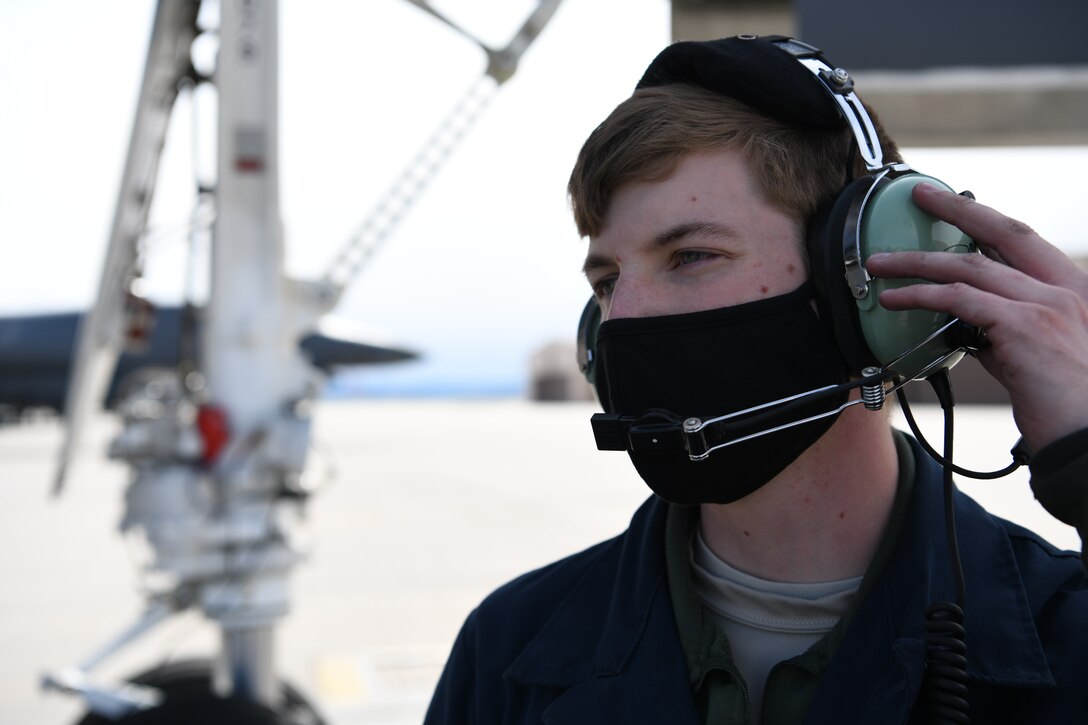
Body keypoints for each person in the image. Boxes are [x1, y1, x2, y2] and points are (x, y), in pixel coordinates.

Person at [424, 35, 1088, 724]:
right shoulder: (506, 651)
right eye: (606, 280)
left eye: (691, 255)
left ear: (860, 283)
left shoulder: (1065, 633)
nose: (623, 321)